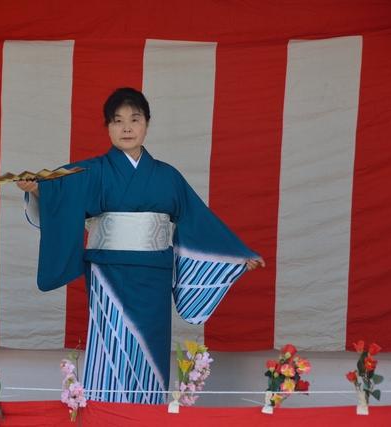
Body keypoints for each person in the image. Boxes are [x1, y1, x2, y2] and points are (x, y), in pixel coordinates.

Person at [17, 87, 264, 404]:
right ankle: (106, 415)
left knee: (151, 351)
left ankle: (147, 415)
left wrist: (235, 256)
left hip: (153, 278)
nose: (127, 128)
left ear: (147, 123)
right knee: (110, 349)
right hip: (108, 276)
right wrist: (37, 189)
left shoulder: (168, 177)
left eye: (134, 119)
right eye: (117, 121)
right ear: (108, 127)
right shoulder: (91, 172)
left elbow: (197, 219)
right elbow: (58, 191)